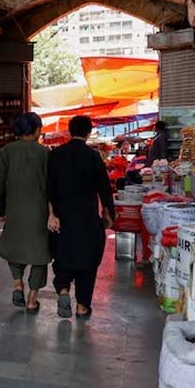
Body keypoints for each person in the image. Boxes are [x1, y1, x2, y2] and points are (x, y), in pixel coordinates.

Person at [48, 115, 115, 320]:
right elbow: (105, 189)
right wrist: (109, 214)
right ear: (88, 133)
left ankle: (63, 291)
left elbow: (48, 188)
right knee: (87, 261)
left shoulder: (55, 155)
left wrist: (51, 214)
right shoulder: (93, 156)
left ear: (70, 131)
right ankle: (82, 306)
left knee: (62, 256)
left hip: (62, 217)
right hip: (87, 219)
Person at [0, 113, 51, 314]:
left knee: (14, 247)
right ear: (36, 130)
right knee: (40, 254)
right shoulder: (45, 153)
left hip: (15, 209)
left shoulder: (7, 151)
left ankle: (17, 284)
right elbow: (51, 186)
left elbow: (0, 182)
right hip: (39, 212)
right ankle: (32, 299)